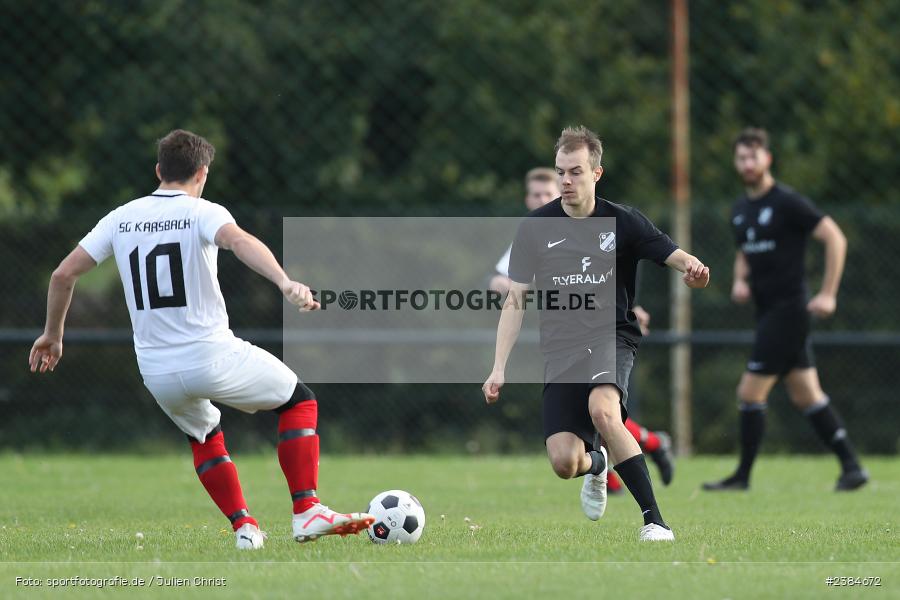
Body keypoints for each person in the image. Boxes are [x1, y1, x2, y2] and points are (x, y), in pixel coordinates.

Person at [28, 129, 374, 549]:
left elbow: (63, 274)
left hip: (156, 371)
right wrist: (284, 282)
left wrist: (53, 334)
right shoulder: (202, 212)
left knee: (204, 435)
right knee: (299, 401)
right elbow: (239, 241)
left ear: (159, 171)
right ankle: (307, 510)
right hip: (212, 356)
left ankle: (245, 528)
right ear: (203, 173)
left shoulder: (120, 218)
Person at [482, 126, 710, 541]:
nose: (566, 181)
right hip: (560, 350)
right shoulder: (535, 228)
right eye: (560, 172)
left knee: (604, 411)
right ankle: (598, 464)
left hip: (611, 336)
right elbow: (514, 301)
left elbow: (674, 255)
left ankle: (655, 521)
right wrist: (498, 367)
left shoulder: (623, 221)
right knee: (564, 463)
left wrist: (693, 270)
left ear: (596, 174)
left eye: (575, 172)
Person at [489, 170, 675, 495]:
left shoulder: (605, 223)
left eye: (546, 194)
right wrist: (504, 286)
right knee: (569, 453)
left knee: (603, 411)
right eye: (534, 195)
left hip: (604, 334)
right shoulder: (533, 231)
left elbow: (613, 273)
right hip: (560, 340)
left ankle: (650, 509)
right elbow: (503, 282)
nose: (543, 200)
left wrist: (635, 309)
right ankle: (618, 457)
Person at [703, 128, 867, 492]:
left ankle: (741, 478)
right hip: (766, 311)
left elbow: (835, 238)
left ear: (767, 159)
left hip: (788, 311)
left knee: (749, 394)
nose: (748, 164)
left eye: (754, 156)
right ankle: (852, 468)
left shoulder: (788, 202)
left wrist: (828, 293)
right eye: (741, 158)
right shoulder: (741, 210)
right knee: (806, 394)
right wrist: (740, 280)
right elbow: (744, 250)